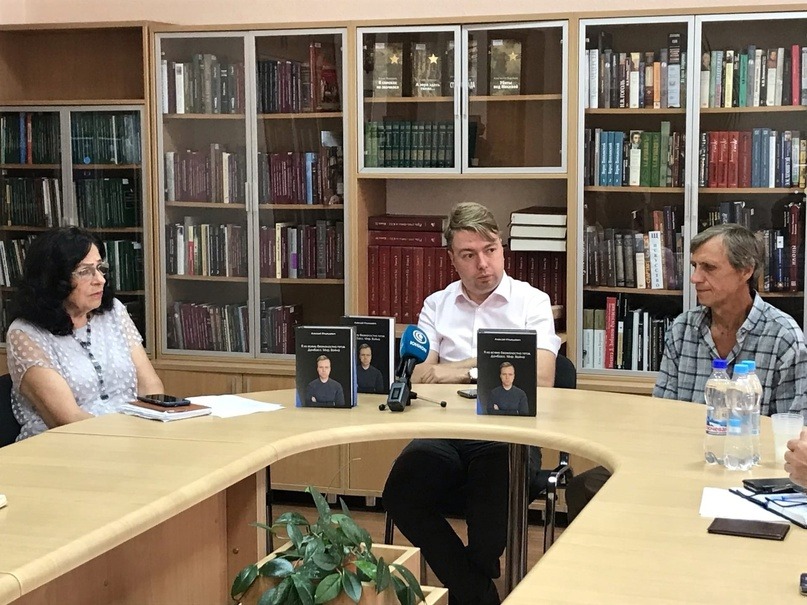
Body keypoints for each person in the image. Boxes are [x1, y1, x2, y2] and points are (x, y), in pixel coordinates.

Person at [566, 223, 807, 521]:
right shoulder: (683, 328)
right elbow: (662, 414)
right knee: (584, 487)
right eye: (694, 266)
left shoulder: (783, 336)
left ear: (745, 271)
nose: (695, 278)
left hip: (750, 471)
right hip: (679, 461)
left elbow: (792, 435)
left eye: (708, 268)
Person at [382, 202, 560, 605]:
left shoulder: (532, 302)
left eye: (490, 250)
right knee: (401, 492)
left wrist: (460, 369)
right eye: (469, 254)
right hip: (444, 431)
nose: (483, 264)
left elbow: (542, 377)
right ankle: (478, 593)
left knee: (489, 524)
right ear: (452, 259)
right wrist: (493, 361)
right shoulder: (437, 304)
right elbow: (420, 375)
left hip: (509, 435)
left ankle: (471, 582)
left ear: (502, 248)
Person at [7, 226, 164, 440]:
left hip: (131, 437)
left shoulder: (113, 312)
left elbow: (150, 386)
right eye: (84, 271)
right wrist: (127, 439)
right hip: (65, 445)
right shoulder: (24, 333)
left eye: (99, 268)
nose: (100, 279)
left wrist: (153, 430)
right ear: (54, 279)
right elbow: (67, 419)